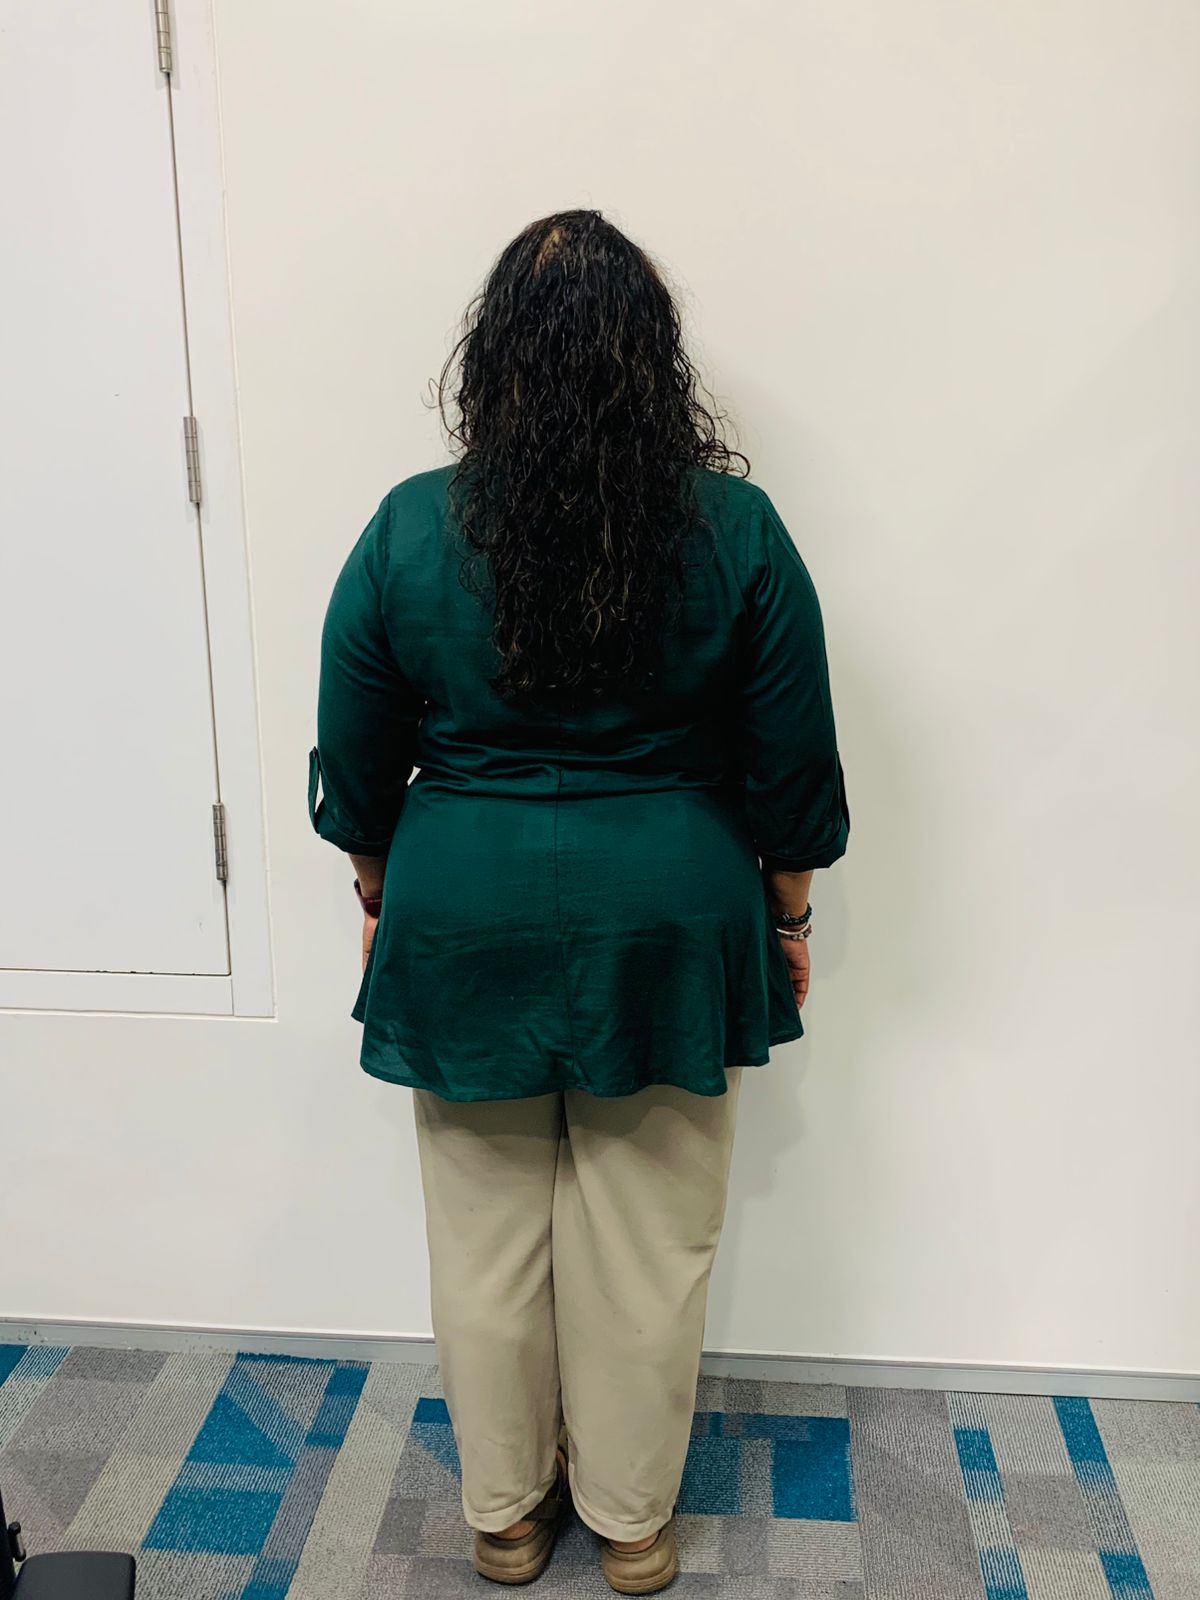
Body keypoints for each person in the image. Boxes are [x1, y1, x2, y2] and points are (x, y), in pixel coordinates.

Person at [309, 209, 849, 1593]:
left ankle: (504, 1516)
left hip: (464, 904)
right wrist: (787, 918)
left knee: (484, 1236)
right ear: (650, 358)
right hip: (669, 913)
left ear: (494, 354)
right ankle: (631, 1523)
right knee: (648, 1239)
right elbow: (793, 762)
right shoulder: (735, 528)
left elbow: (355, 753)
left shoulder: (409, 526)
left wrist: (378, 891)